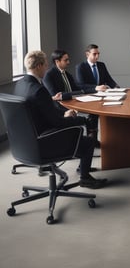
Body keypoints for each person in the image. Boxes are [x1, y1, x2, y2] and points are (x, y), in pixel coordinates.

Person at [14, 50, 107, 189]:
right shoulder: (39, 90)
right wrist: (69, 116)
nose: (47, 68)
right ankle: (85, 178)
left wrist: (62, 115)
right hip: (44, 141)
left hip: (25, 143)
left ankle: (82, 168)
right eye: (45, 65)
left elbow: (41, 114)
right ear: (39, 66)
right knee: (88, 139)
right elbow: (57, 122)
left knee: (79, 124)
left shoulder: (20, 85)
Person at [76, 44, 120, 146]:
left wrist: (117, 87)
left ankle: (105, 140)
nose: (97, 56)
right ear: (87, 54)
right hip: (89, 97)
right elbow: (80, 85)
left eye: (98, 54)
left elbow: (109, 80)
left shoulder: (101, 65)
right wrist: (96, 88)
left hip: (103, 96)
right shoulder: (81, 67)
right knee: (93, 117)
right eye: (94, 54)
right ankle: (92, 142)